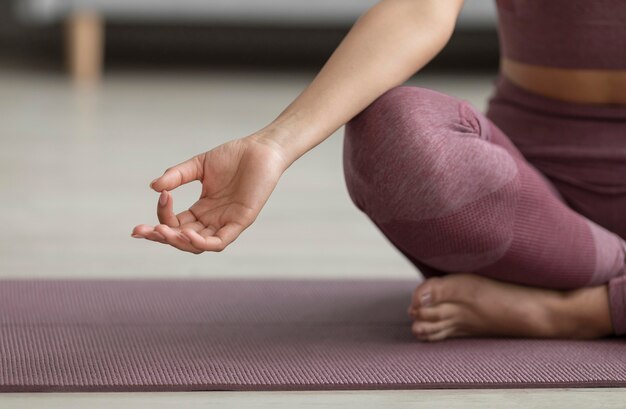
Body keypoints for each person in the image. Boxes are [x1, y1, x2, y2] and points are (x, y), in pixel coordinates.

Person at [132, 0, 626, 342]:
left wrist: (570, 317)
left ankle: (574, 311)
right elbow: (419, 9)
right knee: (389, 127)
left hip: (539, 252)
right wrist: (273, 145)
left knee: (578, 309)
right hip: (526, 201)